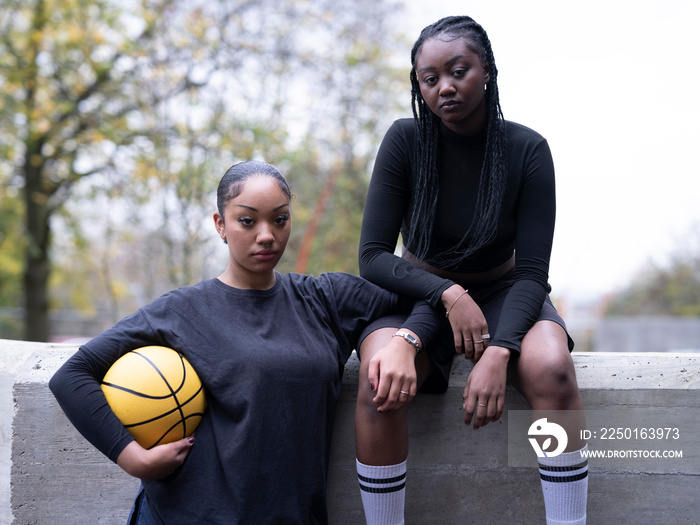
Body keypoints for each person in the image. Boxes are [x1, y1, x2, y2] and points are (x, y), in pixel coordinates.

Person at [50, 160, 441, 525]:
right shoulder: (182, 310)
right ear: (221, 225)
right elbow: (72, 375)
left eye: (280, 219)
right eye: (247, 221)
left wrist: (406, 342)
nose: (267, 235)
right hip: (188, 515)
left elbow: (429, 299)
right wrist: (133, 458)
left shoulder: (325, 297)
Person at [354, 16, 588, 525]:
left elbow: (531, 273)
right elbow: (372, 256)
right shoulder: (404, 140)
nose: (444, 88)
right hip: (420, 291)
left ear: (487, 71)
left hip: (507, 289)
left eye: (458, 71)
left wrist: (499, 352)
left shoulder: (528, 150)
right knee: (379, 385)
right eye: (429, 78)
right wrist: (448, 295)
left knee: (551, 368)